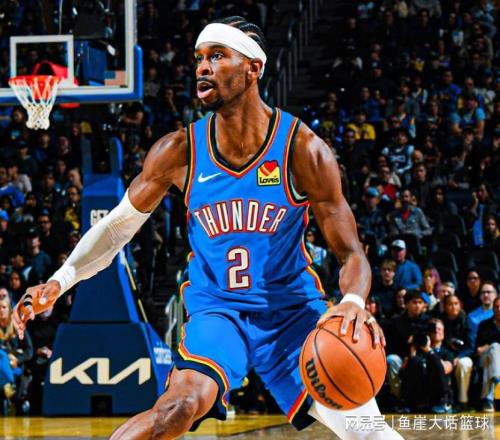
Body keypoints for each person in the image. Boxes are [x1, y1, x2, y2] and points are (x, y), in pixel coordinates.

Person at [12, 17, 401, 440]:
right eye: (199, 57)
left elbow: (351, 253)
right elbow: (115, 229)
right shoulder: (178, 151)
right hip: (218, 313)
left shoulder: (302, 149)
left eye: (217, 56)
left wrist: (352, 301)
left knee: (370, 433)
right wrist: (60, 280)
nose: (202, 66)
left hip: (292, 316)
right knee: (175, 410)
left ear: (253, 68)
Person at [475, 296, 500, 412]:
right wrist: (491, 347)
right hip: (484, 356)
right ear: (493, 309)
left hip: (490, 362)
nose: (499, 309)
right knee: (494, 348)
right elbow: (478, 349)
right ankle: (497, 380)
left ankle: (488, 400)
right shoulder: (484, 325)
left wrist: (488, 346)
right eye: (496, 307)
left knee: (489, 365)